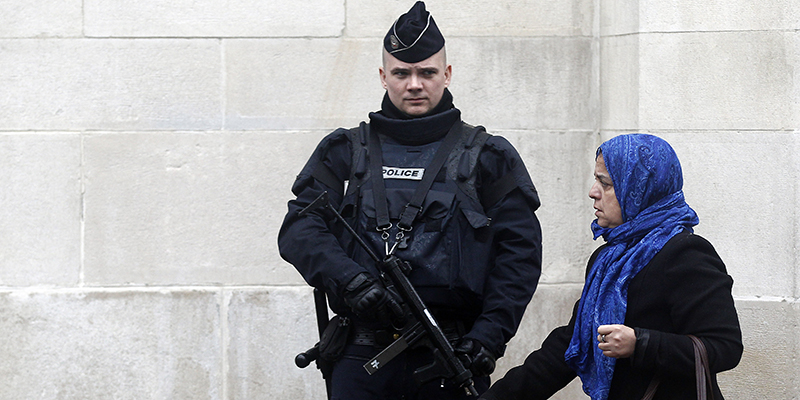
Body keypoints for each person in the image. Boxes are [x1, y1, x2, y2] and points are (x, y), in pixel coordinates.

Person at [278, 2, 542, 399]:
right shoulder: (344, 151)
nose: (414, 84)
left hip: (449, 354)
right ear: (384, 77)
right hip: (361, 353)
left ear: (447, 74)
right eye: (402, 73)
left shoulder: (488, 156)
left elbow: (518, 255)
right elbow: (300, 228)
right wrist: (349, 280)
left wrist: (489, 337)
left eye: (427, 72)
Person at [479, 134, 743, 400]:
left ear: (639, 188)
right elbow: (571, 345)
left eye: (605, 183)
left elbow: (725, 347)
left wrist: (640, 344)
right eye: (597, 180)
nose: (593, 192)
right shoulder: (608, 257)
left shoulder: (686, 253)